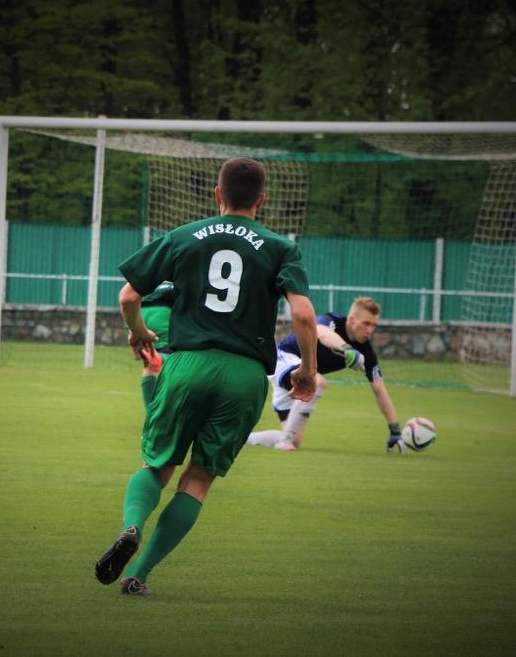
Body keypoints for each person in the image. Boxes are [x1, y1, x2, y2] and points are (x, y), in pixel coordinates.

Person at [94, 157, 319, 597]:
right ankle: (138, 575)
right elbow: (304, 314)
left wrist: (139, 332)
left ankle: (132, 526)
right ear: (261, 200)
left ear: (218, 194)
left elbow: (128, 296)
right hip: (244, 375)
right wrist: (307, 370)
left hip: (187, 365)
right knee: (198, 479)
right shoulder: (280, 248)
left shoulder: (184, 236)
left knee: (158, 464)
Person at [246, 296, 407, 454]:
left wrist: (395, 430)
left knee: (295, 440)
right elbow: (321, 332)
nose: (370, 330)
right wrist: (347, 349)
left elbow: (379, 390)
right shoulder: (332, 321)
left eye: (373, 325)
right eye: (366, 323)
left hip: (299, 378)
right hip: (283, 359)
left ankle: (245, 439)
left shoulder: (366, 351)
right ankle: (284, 441)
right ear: (352, 319)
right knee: (317, 382)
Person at [137, 281, 176, 411]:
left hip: (141, 313)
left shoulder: (153, 279)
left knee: (149, 364)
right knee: (177, 355)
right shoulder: (182, 278)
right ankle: (161, 358)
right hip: (165, 312)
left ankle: (150, 413)